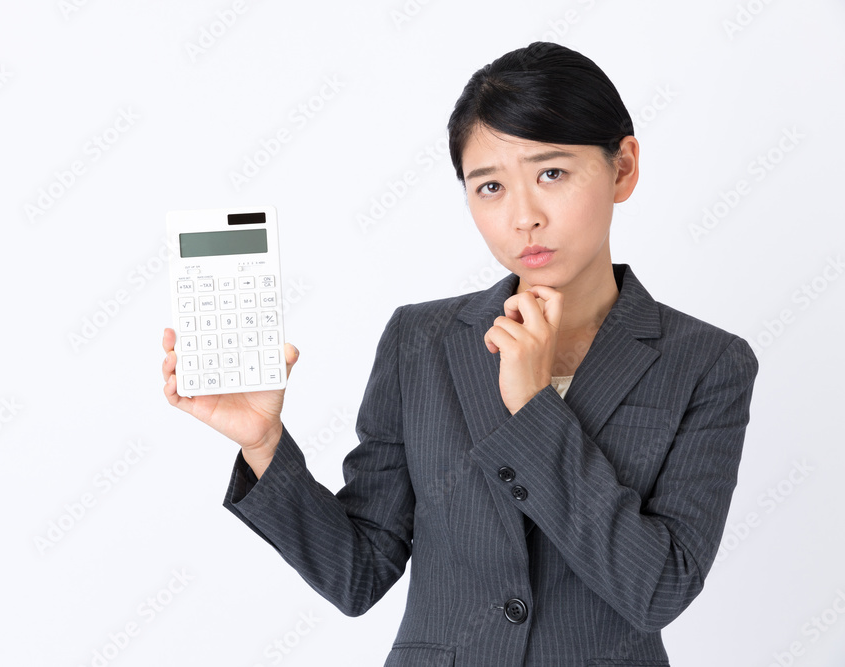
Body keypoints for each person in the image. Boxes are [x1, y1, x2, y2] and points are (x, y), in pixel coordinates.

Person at [161, 41, 758, 667]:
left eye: (551, 173)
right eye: (491, 186)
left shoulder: (707, 364)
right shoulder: (420, 342)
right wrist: (263, 445)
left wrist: (532, 408)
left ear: (623, 168)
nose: (523, 216)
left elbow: (657, 588)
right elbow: (359, 574)